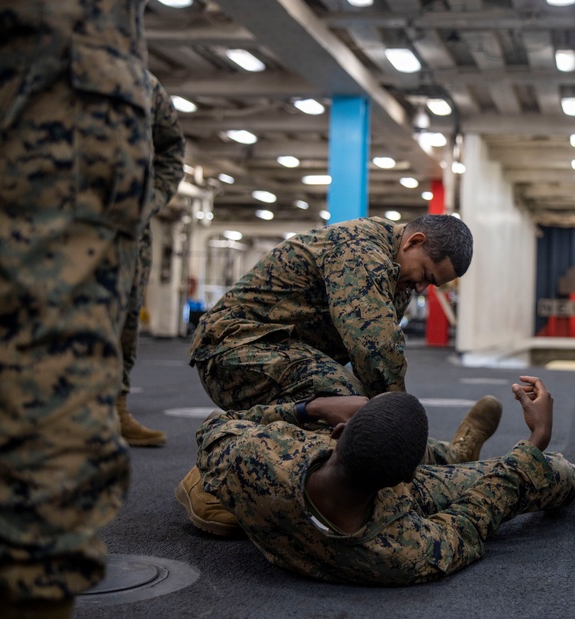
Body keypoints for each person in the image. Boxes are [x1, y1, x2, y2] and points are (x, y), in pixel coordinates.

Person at [0, 0, 177, 618]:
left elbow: (170, 147)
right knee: (50, 361)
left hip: (72, 41)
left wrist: (150, 200)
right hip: (58, 39)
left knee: (59, 358)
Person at [179, 214, 477, 534]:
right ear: (414, 242)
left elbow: (379, 359)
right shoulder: (361, 251)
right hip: (232, 350)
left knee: (353, 411)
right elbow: (375, 355)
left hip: (284, 353)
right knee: (344, 404)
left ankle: (449, 454)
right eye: (425, 275)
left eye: (430, 285)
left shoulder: (398, 277)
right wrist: (394, 435)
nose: (421, 288)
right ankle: (212, 477)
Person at [188, 376, 575, 585]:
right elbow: (474, 517)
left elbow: (218, 425)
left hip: (304, 492)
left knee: (400, 443)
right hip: (393, 499)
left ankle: (453, 453)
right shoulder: (404, 547)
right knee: (507, 476)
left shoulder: (251, 462)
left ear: (338, 434)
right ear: (404, 481)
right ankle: (566, 480)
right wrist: (537, 440)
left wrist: (315, 407)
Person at [117, 71, 186, 447]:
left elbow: (172, 150)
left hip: (125, 232)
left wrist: (151, 201)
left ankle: (114, 407)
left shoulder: (144, 84)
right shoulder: (23, 58)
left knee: (125, 320)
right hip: (39, 228)